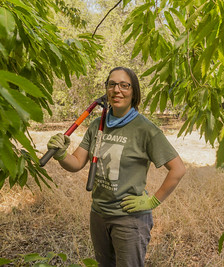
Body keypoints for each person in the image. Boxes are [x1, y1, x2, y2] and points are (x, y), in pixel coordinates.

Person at [46, 66, 186, 267]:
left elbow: (178, 169)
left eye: (124, 85)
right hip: (99, 214)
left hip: (130, 220)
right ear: (106, 90)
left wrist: (153, 201)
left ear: (134, 92)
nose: (117, 90)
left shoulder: (145, 129)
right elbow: (76, 163)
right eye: (111, 84)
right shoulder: (97, 125)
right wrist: (60, 155)